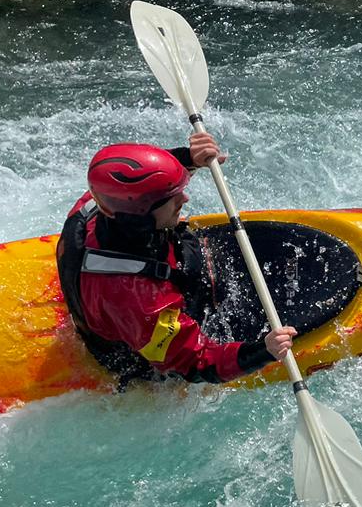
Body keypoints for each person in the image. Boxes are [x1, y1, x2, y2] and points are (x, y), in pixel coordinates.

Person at [56, 131, 296, 384]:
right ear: (140, 212)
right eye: (172, 197)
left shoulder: (96, 206)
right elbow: (198, 362)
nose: (185, 197)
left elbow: (141, 182)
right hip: (141, 349)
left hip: (113, 309)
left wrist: (189, 158)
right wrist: (262, 351)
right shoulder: (139, 299)